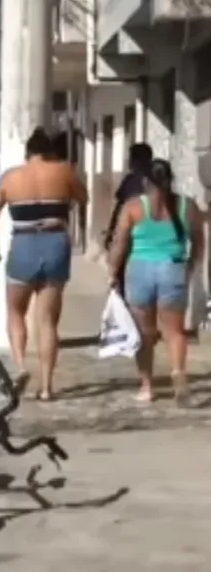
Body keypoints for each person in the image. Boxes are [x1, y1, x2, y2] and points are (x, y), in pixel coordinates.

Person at [0, 127, 88, 401]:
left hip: (23, 245)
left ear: (28, 152)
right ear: (50, 152)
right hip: (56, 244)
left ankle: (19, 366)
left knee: (16, 312)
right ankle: (46, 387)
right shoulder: (64, 171)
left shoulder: (10, 178)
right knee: (48, 321)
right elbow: (84, 199)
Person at [109, 159, 204, 406]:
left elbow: (120, 244)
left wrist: (112, 271)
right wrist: (191, 265)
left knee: (144, 334)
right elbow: (199, 241)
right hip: (173, 268)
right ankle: (178, 373)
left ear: (145, 181)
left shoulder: (133, 207)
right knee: (175, 331)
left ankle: (147, 386)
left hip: (140, 270)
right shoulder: (188, 206)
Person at [105, 142, 154, 294]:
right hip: (151, 235)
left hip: (131, 234)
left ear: (135, 160)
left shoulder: (130, 180)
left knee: (124, 277)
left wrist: (111, 232)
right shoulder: (157, 179)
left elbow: (119, 208)